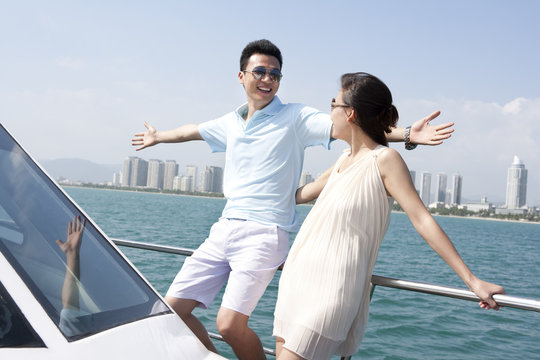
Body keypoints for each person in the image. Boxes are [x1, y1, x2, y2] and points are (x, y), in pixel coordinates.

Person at [131, 40, 454, 360]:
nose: (268, 79)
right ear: (241, 76)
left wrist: (408, 133)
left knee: (229, 325)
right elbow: (193, 130)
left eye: (275, 74)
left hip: (265, 231)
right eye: (260, 71)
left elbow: (353, 123)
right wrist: (159, 136)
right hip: (224, 227)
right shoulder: (230, 122)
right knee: (171, 310)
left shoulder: (295, 117)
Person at [272, 72, 505, 360]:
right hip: (298, 278)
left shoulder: (385, 160)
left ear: (351, 113)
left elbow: (422, 219)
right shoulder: (344, 159)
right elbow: (303, 194)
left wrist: (472, 280)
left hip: (332, 288)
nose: (329, 111)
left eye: (334, 103)